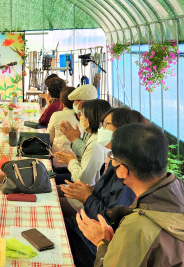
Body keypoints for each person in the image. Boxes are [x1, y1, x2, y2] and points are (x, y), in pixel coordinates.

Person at [76, 124, 184, 267]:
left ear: (123, 170)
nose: (110, 161)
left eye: (113, 157)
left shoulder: (137, 227)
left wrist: (101, 242)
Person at [60, 108, 145, 267]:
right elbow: (105, 197)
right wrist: (89, 191)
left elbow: (109, 221)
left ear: (123, 130)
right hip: (85, 223)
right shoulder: (116, 158)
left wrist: (87, 197)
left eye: (106, 125)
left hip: (92, 241)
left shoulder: (129, 172)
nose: (102, 130)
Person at [54, 99, 111, 188]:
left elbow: (82, 180)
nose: (80, 117)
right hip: (82, 175)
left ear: (89, 119)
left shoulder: (96, 143)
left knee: (51, 179)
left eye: (82, 115)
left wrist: (71, 161)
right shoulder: (93, 135)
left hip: (85, 190)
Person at [60, 84, 98, 158]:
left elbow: (89, 154)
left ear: (82, 103)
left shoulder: (93, 122)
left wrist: (75, 139)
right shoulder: (91, 117)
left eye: (74, 101)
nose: (73, 104)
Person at [48, 87, 79, 167]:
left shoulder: (56, 115)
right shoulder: (81, 116)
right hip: (77, 161)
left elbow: (49, 139)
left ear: (62, 101)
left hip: (58, 160)